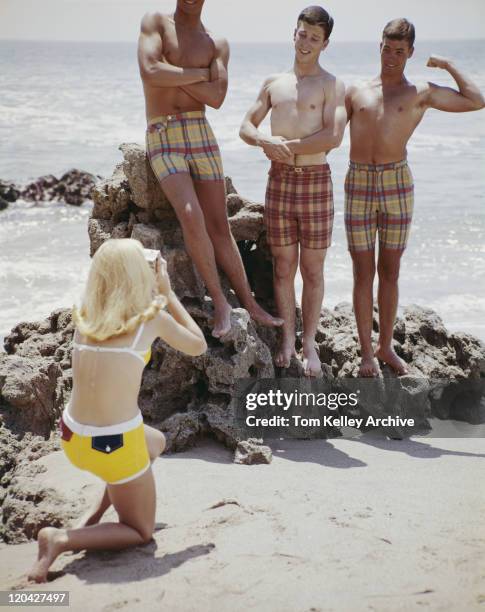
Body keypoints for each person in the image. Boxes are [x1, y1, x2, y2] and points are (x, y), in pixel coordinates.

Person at [28, 239, 207, 583]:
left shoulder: (86, 315)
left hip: (71, 436)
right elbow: (197, 345)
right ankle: (61, 539)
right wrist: (167, 294)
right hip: (112, 445)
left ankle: (93, 515)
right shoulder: (150, 319)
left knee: (154, 442)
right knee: (140, 530)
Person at [345, 18, 485, 377]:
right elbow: (326, 131)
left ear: (410, 53)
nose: (391, 57)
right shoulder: (356, 91)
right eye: (387, 48)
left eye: (400, 51)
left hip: (397, 183)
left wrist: (448, 64)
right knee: (363, 272)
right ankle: (365, 354)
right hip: (358, 182)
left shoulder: (420, 92)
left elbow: (477, 100)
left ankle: (385, 346)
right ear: (379, 46)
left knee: (389, 271)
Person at [137, 0, 283, 339]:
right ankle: (220, 302)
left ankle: (248, 301)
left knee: (220, 224)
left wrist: (171, 74)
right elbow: (150, 71)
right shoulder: (155, 21)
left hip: (201, 131)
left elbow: (216, 98)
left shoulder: (216, 43)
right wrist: (200, 75)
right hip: (163, 132)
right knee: (191, 214)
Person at [239, 6, 346, 376]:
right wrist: (266, 140)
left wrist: (288, 145)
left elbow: (333, 136)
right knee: (284, 266)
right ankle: (287, 339)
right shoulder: (274, 83)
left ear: (325, 43)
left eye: (314, 38)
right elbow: (246, 127)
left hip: (316, 180)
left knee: (313, 269)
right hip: (280, 181)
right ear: (294, 33)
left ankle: (310, 343)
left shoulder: (332, 84)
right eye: (302, 34)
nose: (306, 43)